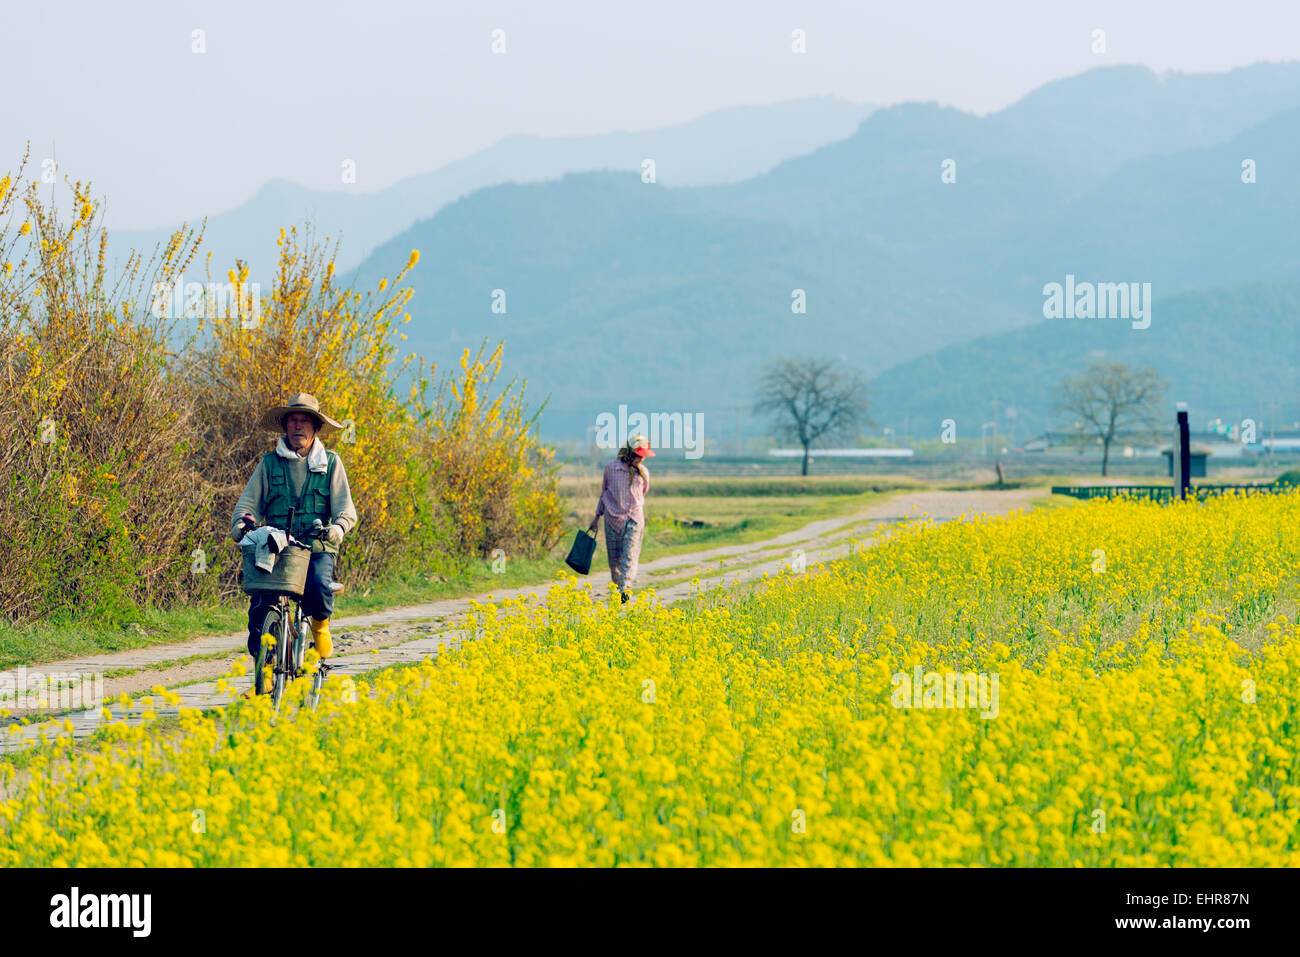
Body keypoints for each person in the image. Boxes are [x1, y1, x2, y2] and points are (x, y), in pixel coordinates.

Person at [231, 393, 357, 693]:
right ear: (285, 427)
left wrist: (338, 528)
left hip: (316, 546)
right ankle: (266, 674)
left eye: (304, 421)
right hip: (276, 548)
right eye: (293, 420)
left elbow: (346, 510)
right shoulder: (269, 464)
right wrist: (241, 524)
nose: (298, 426)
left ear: (315, 428)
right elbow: (247, 504)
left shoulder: (331, 463)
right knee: (261, 606)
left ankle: (320, 627)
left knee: (316, 585)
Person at [590, 434, 654, 603]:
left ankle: (625, 587)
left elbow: (642, 493)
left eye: (643, 456)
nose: (640, 459)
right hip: (611, 518)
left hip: (634, 518)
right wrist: (597, 517)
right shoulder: (611, 468)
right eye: (638, 455)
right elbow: (604, 492)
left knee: (630, 554)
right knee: (615, 558)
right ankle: (619, 586)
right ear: (629, 453)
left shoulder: (644, 473)